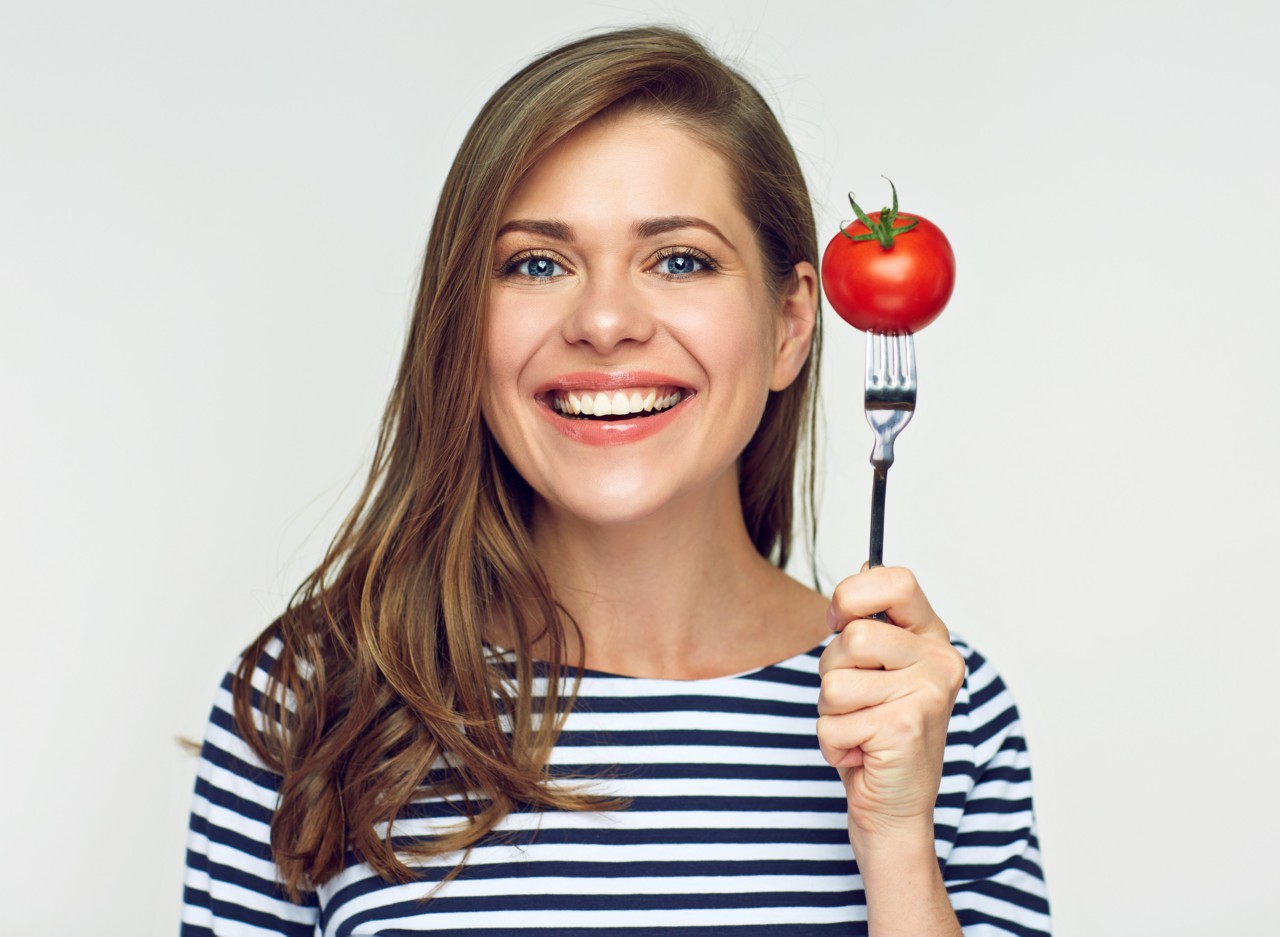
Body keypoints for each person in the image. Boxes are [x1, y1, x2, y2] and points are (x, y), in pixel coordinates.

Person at [181, 26, 1050, 936]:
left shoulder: (936, 710)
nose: (602, 320)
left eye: (679, 260)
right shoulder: (315, 703)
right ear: (463, 325)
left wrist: (896, 839)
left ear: (791, 324)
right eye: (536, 263)